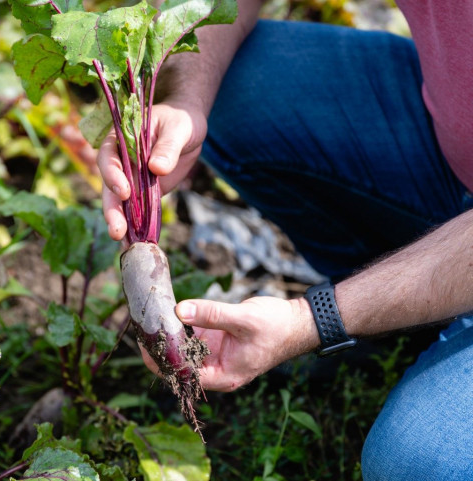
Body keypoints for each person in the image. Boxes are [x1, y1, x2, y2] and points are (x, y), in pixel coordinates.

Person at [97, 1, 473, 479]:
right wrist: (185, 100)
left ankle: (392, 315)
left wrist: (315, 319)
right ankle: (403, 320)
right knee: (236, 82)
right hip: (450, 159)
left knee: (418, 463)